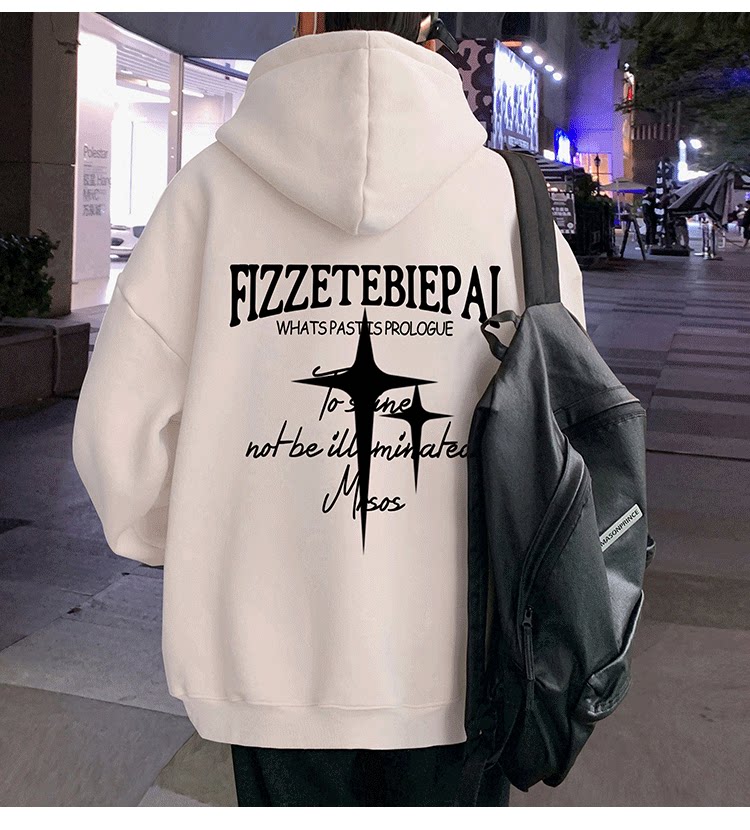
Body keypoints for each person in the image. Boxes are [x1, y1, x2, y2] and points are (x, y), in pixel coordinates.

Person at [72, 11, 586, 807]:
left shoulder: (205, 193)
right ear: (427, 27)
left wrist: (201, 539)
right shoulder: (512, 207)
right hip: (471, 649)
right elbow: (568, 425)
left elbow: (118, 428)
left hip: (265, 652)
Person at [640, 186, 658, 250]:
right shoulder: (646, 200)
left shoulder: (651, 199)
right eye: (653, 192)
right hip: (649, 217)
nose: (654, 193)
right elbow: (646, 210)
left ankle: (649, 243)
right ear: (649, 192)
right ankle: (650, 243)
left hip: (650, 217)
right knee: (650, 229)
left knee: (650, 229)